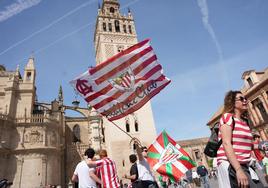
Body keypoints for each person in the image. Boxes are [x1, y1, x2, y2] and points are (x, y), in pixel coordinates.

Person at [216, 90, 263, 188]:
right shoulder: (227, 117)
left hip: (245, 164)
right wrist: (238, 170)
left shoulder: (245, 122)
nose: (245, 100)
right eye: (241, 99)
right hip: (232, 165)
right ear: (232, 102)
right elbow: (226, 143)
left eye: (245, 98)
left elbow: (248, 146)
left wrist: (259, 147)